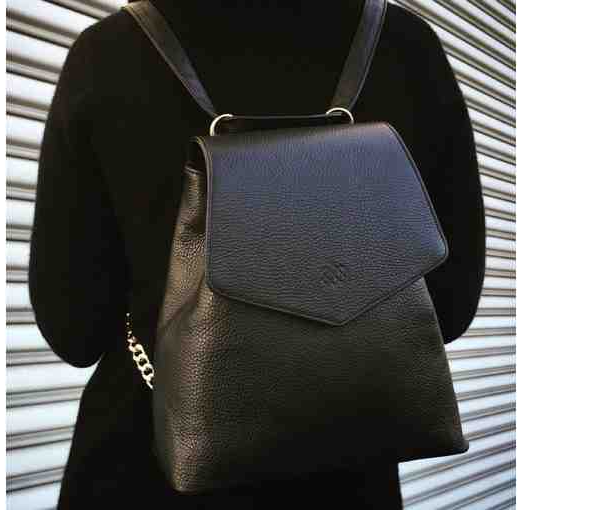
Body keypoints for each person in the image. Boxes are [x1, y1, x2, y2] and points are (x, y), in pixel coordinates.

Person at [29, 1, 483, 508]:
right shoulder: (406, 46)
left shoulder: (108, 53)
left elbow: (75, 330)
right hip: (347, 469)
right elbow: (449, 309)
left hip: (141, 466)